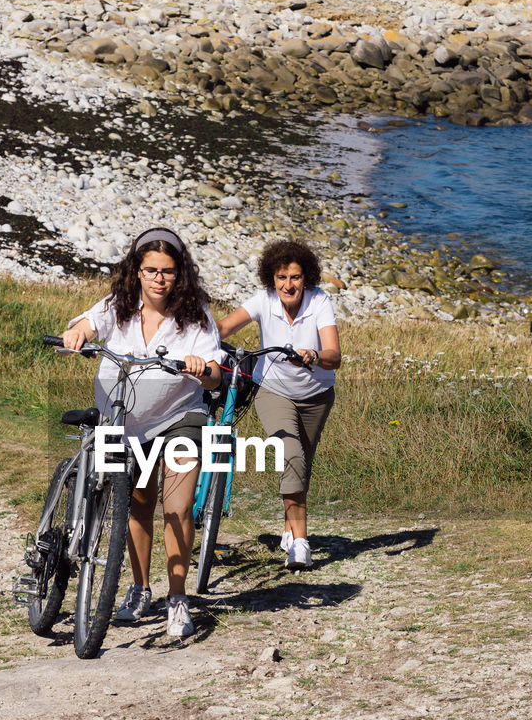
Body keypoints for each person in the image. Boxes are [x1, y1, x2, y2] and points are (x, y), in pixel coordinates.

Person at [61, 228, 222, 638]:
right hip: (121, 421)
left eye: (167, 271)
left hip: (177, 417)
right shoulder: (118, 306)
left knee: (178, 506)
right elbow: (87, 323)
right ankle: (139, 587)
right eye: (150, 269)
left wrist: (203, 370)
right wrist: (78, 332)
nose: (158, 279)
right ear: (136, 271)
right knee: (136, 505)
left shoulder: (196, 315)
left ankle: (178, 597)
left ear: (179, 274)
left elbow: (216, 374)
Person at [217, 238, 341, 571]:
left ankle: (289, 527)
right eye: (282, 277)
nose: (288, 285)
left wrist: (314, 355)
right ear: (272, 278)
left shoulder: (320, 303)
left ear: (307, 279)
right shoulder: (262, 301)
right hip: (273, 391)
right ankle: (300, 543)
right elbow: (223, 327)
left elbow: (334, 355)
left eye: (296, 277)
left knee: (303, 463)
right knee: (293, 456)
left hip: (317, 395)